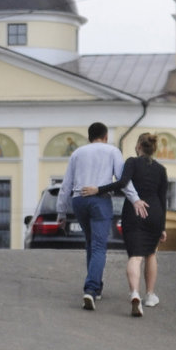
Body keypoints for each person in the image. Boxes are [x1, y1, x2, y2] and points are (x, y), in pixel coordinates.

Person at [56, 122, 145, 311]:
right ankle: (91, 288)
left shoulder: (77, 153)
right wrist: (135, 199)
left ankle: (95, 287)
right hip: (100, 200)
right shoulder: (112, 151)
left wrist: (61, 212)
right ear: (105, 137)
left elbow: (66, 185)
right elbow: (123, 181)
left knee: (90, 242)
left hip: (79, 200)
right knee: (98, 245)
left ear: (89, 137)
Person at [80, 132, 167, 317]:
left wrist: (99, 189)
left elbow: (122, 183)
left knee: (135, 257)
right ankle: (150, 295)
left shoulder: (132, 163)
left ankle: (134, 293)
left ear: (138, 146)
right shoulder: (161, 169)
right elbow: (163, 198)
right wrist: (163, 226)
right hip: (155, 214)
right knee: (150, 254)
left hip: (134, 212)